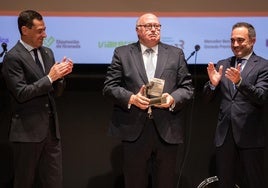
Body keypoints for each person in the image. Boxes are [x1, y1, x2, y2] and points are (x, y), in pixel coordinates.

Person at [103, 13, 194, 188]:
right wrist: (132, 98)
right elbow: (109, 87)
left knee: (165, 183)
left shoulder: (175, 53)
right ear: (138, 30)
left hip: (167, 128)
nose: (154, 29)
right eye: (148, 26)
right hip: (134, 129)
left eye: (157, 26)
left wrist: (172, 99)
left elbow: (188, 88)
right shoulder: (122, 53)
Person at [1, 10, 73, 188]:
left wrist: (61, 76)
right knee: (24, 182)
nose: (45, 34)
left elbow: (55, 92)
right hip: (27, 132)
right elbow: (22, 93)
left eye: (45, 29)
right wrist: (50, 78)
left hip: (50, 131)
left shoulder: (47, 52)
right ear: (25, 30)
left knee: (54, 182)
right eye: (40, 30)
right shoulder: (12, 57)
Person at [203, 22, 268, 188]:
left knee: (254, 182)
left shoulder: (263, 66)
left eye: (240, 40)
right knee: (225, 183)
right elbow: (206, 99)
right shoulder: (223, 63)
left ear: (252, 41)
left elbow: (261, 96)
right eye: (232, 40)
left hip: (251, 136)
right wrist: (212, 85)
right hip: (225, 136)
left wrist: (240, 82)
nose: (235, 44)